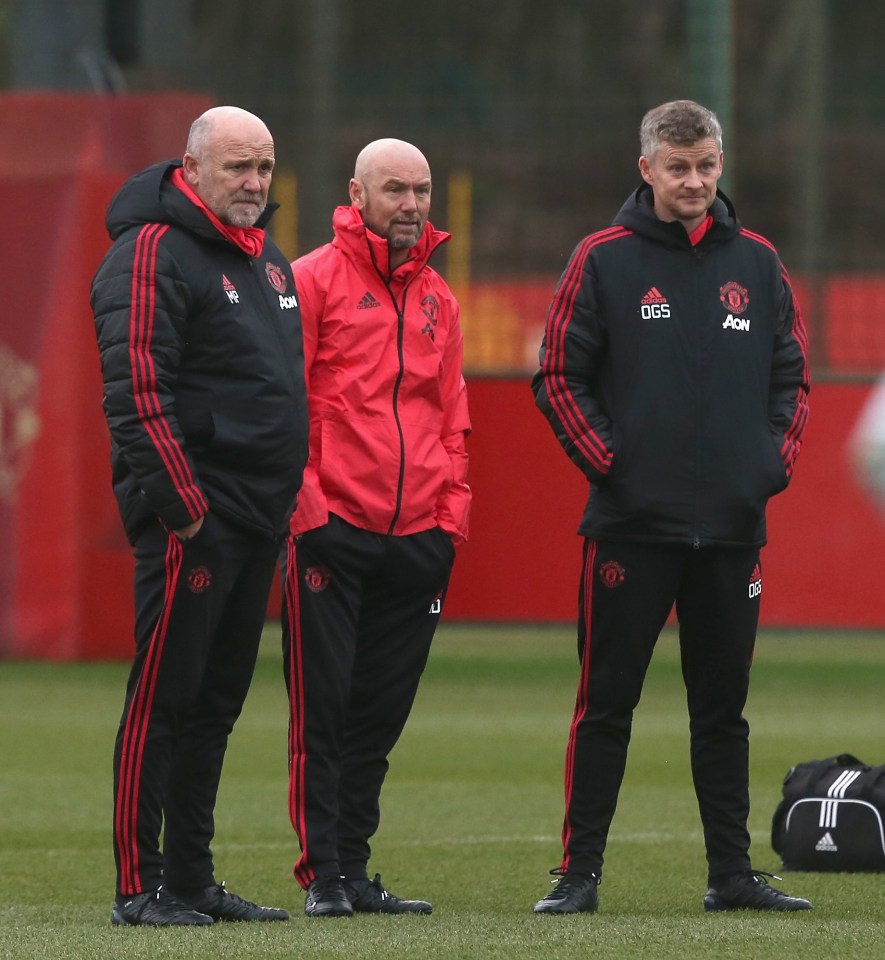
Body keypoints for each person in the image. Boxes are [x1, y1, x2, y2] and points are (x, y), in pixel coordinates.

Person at [530, 100, 812, 915]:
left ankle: (731, 876)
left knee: (721, 712)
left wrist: (765, 468)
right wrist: (611, 466)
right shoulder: (602, 259)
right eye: (677, 167)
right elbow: (556, 376)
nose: (693, 182)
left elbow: (790, 377)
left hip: (730, 530)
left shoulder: (757, 262)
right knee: (605, 706)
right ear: (646, 168)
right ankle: (577, 876)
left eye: (706, 167)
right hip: (629, 528)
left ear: (719, 165)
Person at [91, 105, 309, 927]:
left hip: (258, 520)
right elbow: (136, 390)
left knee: (215, 704)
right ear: (191, 167)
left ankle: (188, 878)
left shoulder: (267, 260)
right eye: (236, 168)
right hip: (198, 521)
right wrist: (185, 512)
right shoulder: (149, 251)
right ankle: (135, 885)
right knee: (164, 700)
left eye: (263, 167)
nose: (253, 184)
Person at [282, 138, 471, 917]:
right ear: (355, 195)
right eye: (395, 189)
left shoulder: (439, 298)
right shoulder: (308, 280)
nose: (411, 205)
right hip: (334, 529)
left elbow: (453, 417)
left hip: (418, 538)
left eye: (421, 190)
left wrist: (450, 521)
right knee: (321, 713)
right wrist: (308, 512)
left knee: (379, 716)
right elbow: (282, 407)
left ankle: (355, 870)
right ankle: (322, 875)